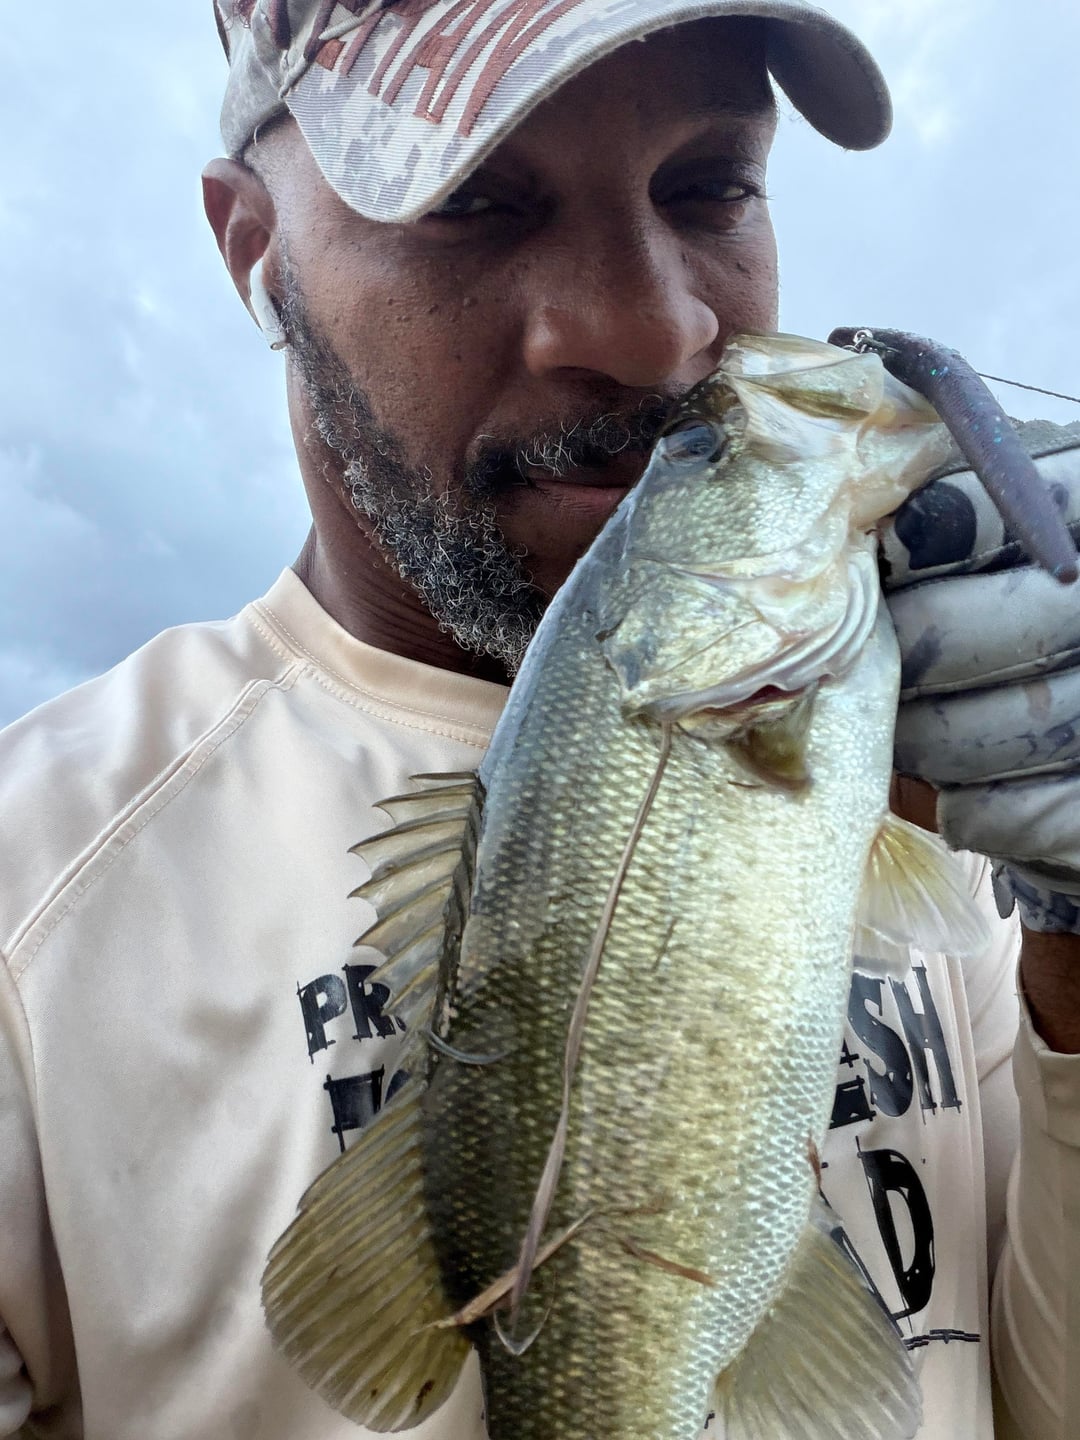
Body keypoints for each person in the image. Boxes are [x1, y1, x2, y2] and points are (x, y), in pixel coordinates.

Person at [1, 1, 1077, 1435]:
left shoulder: (959, 784)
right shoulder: (36, 880)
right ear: (254, 247)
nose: (654, 330)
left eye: (711, 186)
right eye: (474, 200)